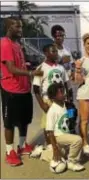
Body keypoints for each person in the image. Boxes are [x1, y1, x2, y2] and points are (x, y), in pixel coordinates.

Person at [0, 16, 43, 166]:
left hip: (24, 89)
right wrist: (31, 74)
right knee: (10, 123)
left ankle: (22, 145)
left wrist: (29, 68)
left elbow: (20, 65)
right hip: (11, 89)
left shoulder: (17, 44)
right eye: (17, 27)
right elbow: (11, 68)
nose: (20, 30)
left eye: (21, 27)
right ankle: (9, 151)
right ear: (9, 27)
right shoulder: (5, 44)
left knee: (24, 120)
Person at [33, 44, 71, 147]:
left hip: (62, 100)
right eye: (53, 51)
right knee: (48, 124)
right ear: (46, 53)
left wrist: (68, 99)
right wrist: (42, 104)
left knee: (62, 120)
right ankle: (50, 145)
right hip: (48, 101)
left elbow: (66, 84)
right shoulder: (40, 68)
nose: (56, 53)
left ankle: (61, 143)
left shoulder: (60, 67)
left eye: (56, 51)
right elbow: (36, 89)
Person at [45, 83, 85, 172]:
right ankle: (72, 162)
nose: (63, 94)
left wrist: (72, 111)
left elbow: (71, 122)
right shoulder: (52, 111)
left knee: (65, 153)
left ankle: (41, 151)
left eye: (63, 91)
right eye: (60, 93)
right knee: (77, 140)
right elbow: (50, 132)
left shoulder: (67, 105)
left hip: (66, 135)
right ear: (53, 98)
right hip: (58, 137)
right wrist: (55, 148)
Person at [51, 25, 73, 100]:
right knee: (59, 109)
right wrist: (61, 61)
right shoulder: (51, 50)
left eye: (62, 35)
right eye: (58, 35)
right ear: (53, 36)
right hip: (57, 85)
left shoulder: (67, 48)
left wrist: (73, 70)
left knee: (70, 108)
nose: (60, 37)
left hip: (68, 84)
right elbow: (48, 66)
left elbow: (71, 63)